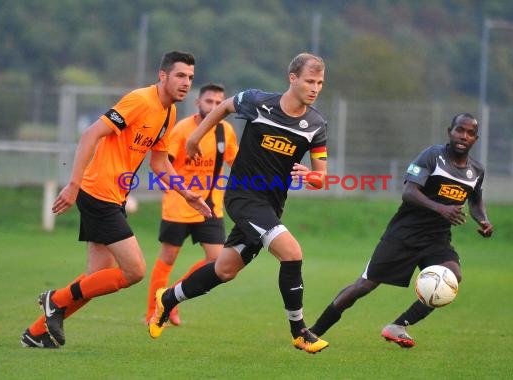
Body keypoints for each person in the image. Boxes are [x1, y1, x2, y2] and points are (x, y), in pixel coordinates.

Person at [21, 51, 212, 348]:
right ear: (162, 76)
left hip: (114, 196)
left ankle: (35, 333)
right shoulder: (140, 100)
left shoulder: (168, 112)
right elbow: (90, 135)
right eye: (179, 76)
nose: (186, 82)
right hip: (98, 192)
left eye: (190, 77)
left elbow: (160, 163)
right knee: (134, 270)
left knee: (95, 279)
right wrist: (73, 184)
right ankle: (54, 299)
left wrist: (186, 193)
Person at [148, 52, 330, 354]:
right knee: (292, 253)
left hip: (270, 207)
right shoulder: (258, 102)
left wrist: (311, 176)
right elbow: (222, 107)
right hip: (243, 197)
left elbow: (321, 177)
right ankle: (299, 331)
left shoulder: (316, 125)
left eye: (320, 83)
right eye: (310, 81)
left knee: (224, 270)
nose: (315, 88)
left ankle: (167, 299)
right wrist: (194, 138)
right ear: (293, 78)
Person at [309, 113, 494, 348]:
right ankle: (313, 331)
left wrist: (484, 220)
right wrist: (441, 209)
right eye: (460, 130)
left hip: (436, 239)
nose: (463, 136)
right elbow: (409, 191)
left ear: (475, 139)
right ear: (450, 131)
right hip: (404, 234)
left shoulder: (476, 170)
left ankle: (398, 326)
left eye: (469, 133)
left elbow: (475, 202)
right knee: (364, 286)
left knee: (452, 278)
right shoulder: (433, 157)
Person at [145, 83, 238, 326]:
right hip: (179, 204)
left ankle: (170, 299)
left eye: (219, 103)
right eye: (209, 101)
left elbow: (235, 162)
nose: (214, 107)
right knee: (168, 256)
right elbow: (164, 162)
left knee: (217, 260)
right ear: (198, 103)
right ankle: (151, 313)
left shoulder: (225, 131)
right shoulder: (182, 129)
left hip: (210, 206)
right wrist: (169, 187)